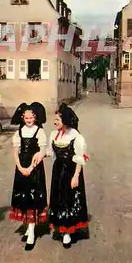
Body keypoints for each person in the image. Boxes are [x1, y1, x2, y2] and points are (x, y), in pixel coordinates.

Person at [48, 103, 89, 249]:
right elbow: (50, 154)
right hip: (58, 172)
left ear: (64, 121)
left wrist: (76, 176)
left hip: (71, 172)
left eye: (57, 120)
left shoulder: (75, 136)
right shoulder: (54, 135)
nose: (54, 122)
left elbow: (79, 158)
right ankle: (61, 227)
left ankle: (67, 233)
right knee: (58, 198)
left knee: (69, 199)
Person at [9, 102, 48, 250]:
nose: (29, 120)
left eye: (31, 118)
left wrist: (31, 168)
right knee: (23, 197)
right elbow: (15, 153)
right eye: (26, 118)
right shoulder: (19, 132)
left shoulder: (39, 132)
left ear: (35, 117)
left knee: (33, 199)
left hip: (35, 169)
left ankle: (32, 232)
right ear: (23, 118)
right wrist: (20, 167)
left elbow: (43, 151)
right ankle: (27, 227)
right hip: (21, 169)